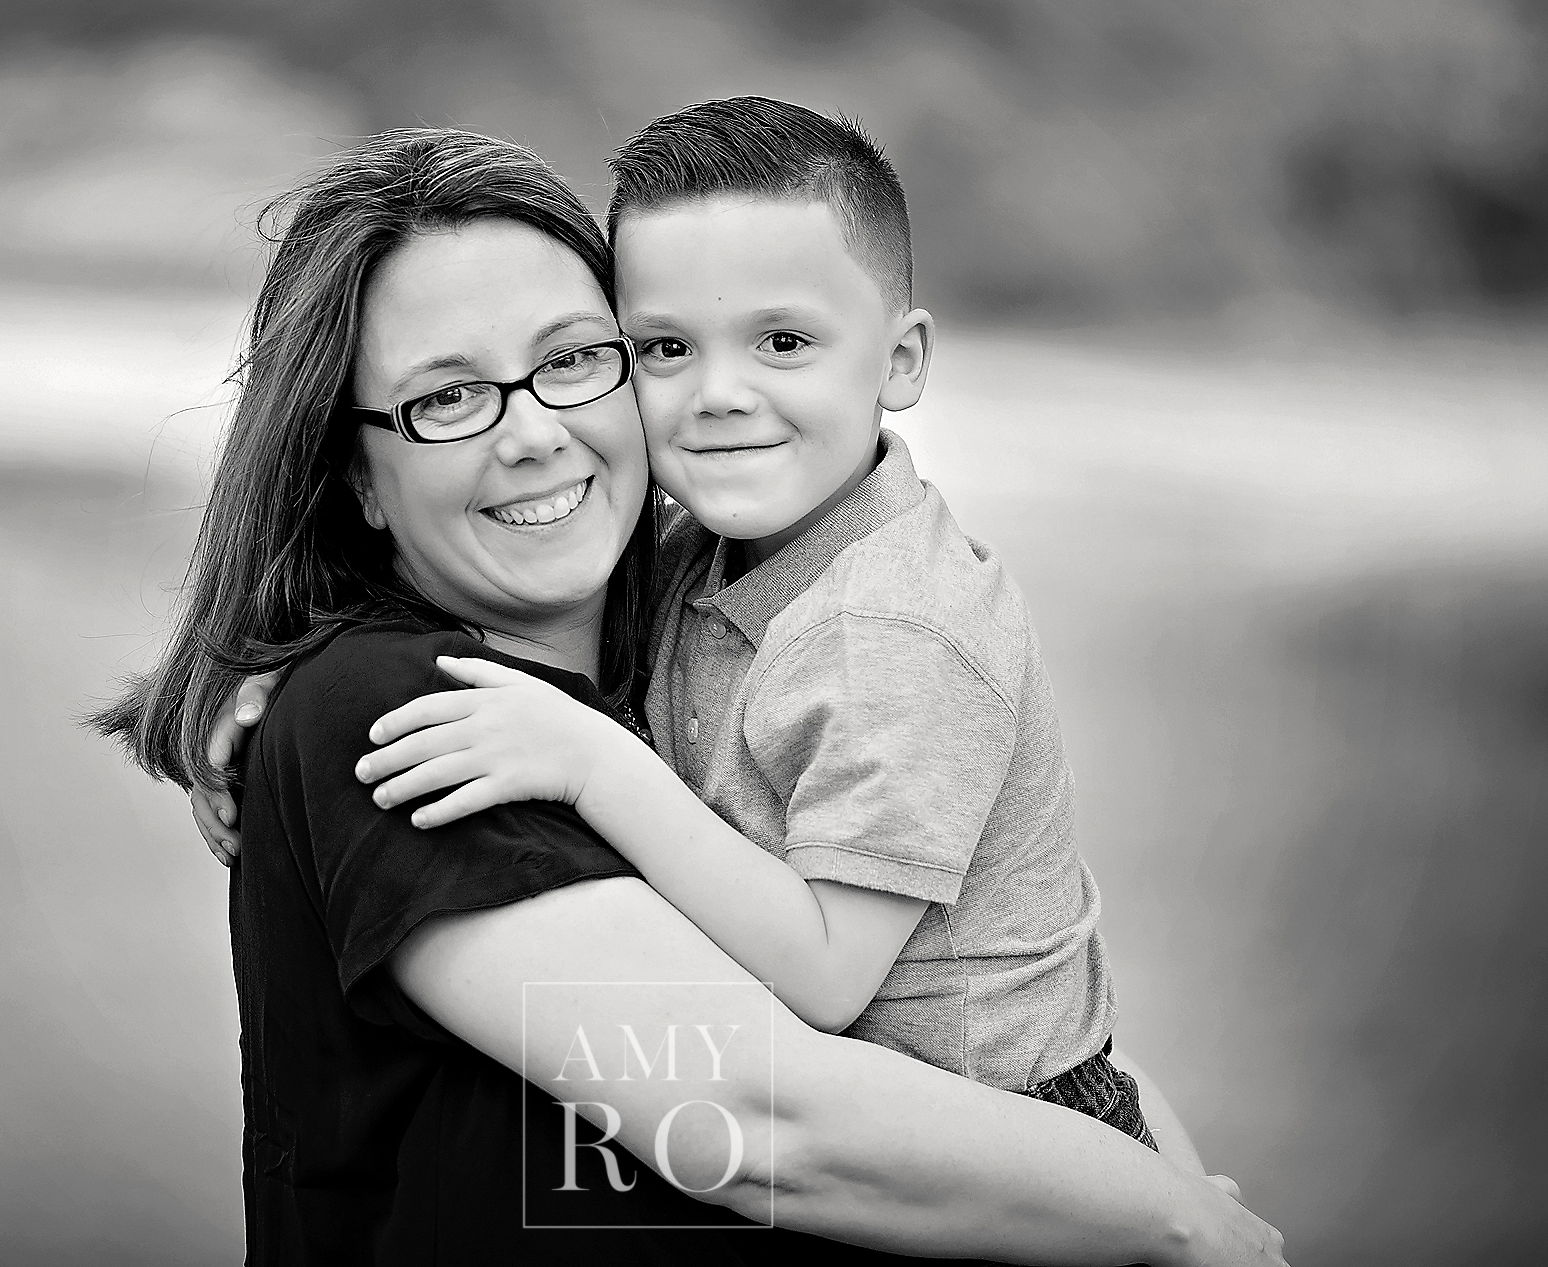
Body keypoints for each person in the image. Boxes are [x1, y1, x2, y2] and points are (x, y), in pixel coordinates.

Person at [106, 126, 1286, 1263]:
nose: (534, 434)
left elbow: (1005, 981)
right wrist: (1172, 1213)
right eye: (449, 396)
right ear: (356, 473)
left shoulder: (738, 623)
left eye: (573, 358)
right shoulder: (407, 712)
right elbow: (758, 1116)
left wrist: (1180, 1194)